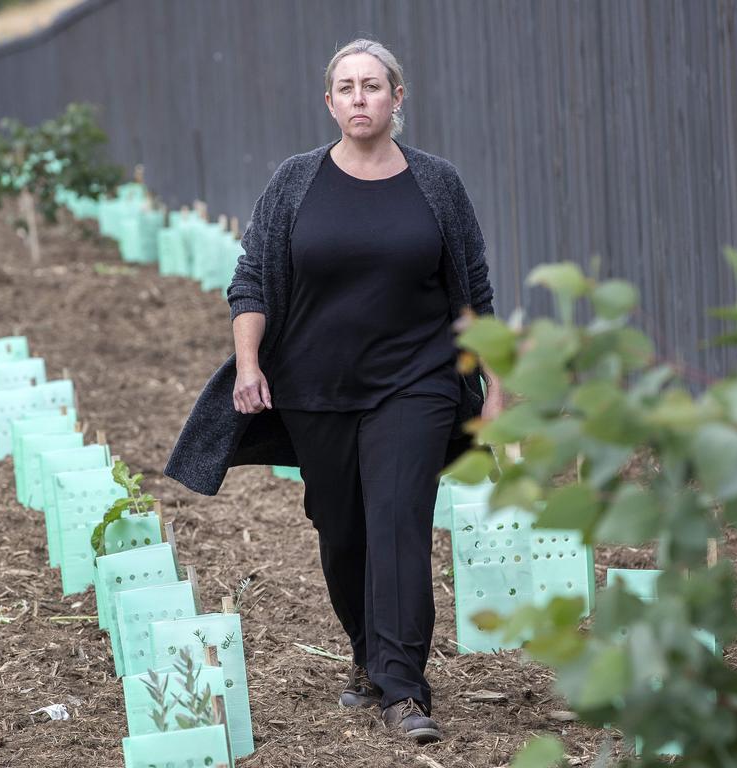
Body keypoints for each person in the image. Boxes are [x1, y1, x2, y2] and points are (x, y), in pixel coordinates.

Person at [164, 38, 501, 744]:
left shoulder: (437, 184)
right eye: (345, 87)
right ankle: (367, 656)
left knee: (399, 522)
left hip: (418, 384)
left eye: (372, 86)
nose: (359, 97)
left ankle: (404, 687)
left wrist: (495, 384)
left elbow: (474, 290)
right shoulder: (295, 182)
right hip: (316, 388)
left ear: (397, 97)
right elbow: (251, 280)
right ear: (329, 101)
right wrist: (249, 364)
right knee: (342, 531)